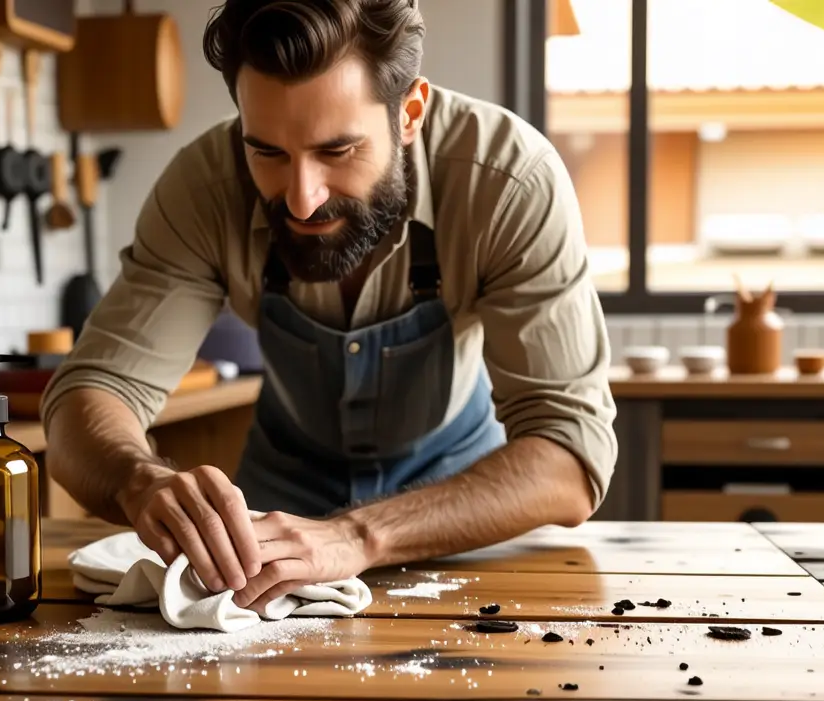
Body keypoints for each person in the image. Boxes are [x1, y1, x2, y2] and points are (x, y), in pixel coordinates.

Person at [41, 0, 617, 615]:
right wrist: (138, 479)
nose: (302, 200)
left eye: (337, 151)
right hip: (273, 520)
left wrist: (358, 534)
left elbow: (570, 454)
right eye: (267, 153)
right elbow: (89, 395)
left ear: (409, 114)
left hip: (460, 515)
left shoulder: (508, 180)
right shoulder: (203, 187)